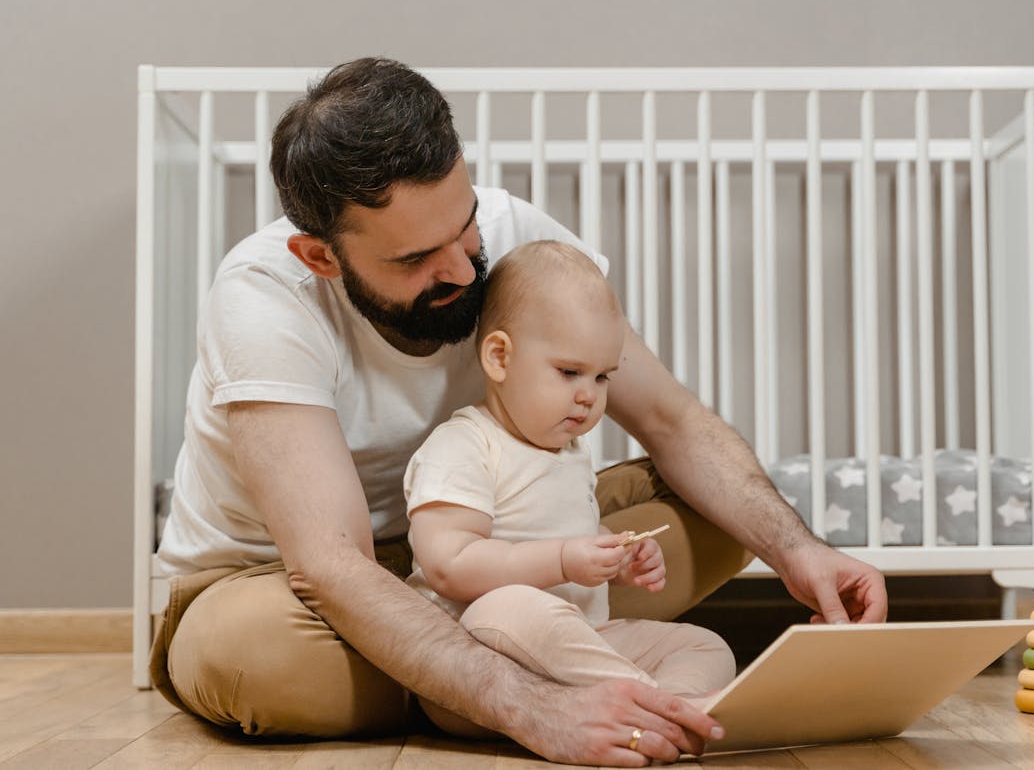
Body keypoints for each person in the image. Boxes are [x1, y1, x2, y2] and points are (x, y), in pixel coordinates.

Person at [149, 56, 887, 767]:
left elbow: (672, 420)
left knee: (721, 518)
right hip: (285, 583)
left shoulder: (514, 233)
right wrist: (531, 707)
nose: (464, 268)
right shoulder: (263, 298)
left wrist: (800, 549)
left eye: (463, 227)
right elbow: (334, 565)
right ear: (321, 257)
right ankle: (502, 676)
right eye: (415, 260)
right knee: (250, 658)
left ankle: (469, 673)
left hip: (494, 549)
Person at [405, 241, 736, 736]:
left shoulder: (570, 453)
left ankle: (667, 707)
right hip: (479, 662)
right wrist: (563, 560)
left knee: (706, 645)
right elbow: (450, 567)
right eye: (569, 372)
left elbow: (567, 530)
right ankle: (660, 706)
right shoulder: (464, 445)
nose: (589, 395)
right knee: (508, 605)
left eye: (602, 376)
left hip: (581, 646)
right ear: (499, 357)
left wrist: (616, 560)